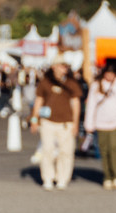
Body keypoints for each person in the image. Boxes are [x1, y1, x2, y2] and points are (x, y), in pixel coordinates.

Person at [29, 56, 82, 190]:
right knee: (47, 150)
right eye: (61, 65)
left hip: (66, 122)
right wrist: (34, 119)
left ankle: (62, 178)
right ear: (54, 66)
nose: (64, 68)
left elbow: (76, 103)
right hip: (47, 121)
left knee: (66, 151)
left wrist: (76, 123)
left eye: (66, 66)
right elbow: (39, 101)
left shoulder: (71, 83)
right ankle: (47, 177)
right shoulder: (45, 82)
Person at [83, 64, 116, 189]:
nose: (109, 76)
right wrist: (89, 124)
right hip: (101, 122)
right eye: (107, 73)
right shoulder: (96, 85)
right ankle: (107, 176)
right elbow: (91, 105)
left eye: (112, 73)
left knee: (115, 148)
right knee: (104, 150)